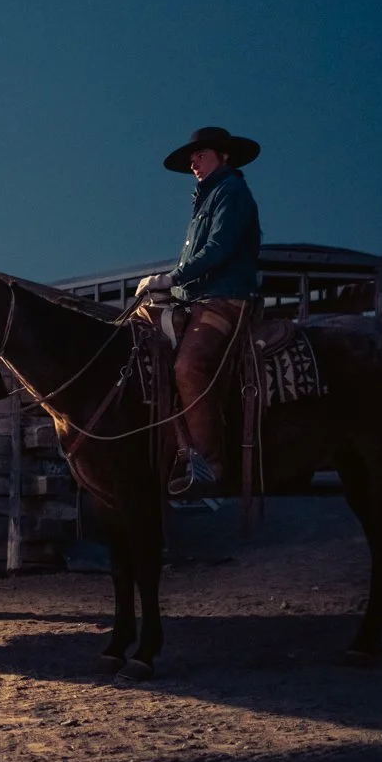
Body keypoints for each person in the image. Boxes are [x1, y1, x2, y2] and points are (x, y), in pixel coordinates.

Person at [137, 126, 264, 497]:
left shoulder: (232, 193)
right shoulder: (205, 199)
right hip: (197, 298)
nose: (193, 162)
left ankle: (208, 464)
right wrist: (171, 289)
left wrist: (170, 277)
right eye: (192, 159)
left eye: (201, 155)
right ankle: (172, 449)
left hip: (227, 298)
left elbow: (219, 249)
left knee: (188, 366)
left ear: (223, 156)